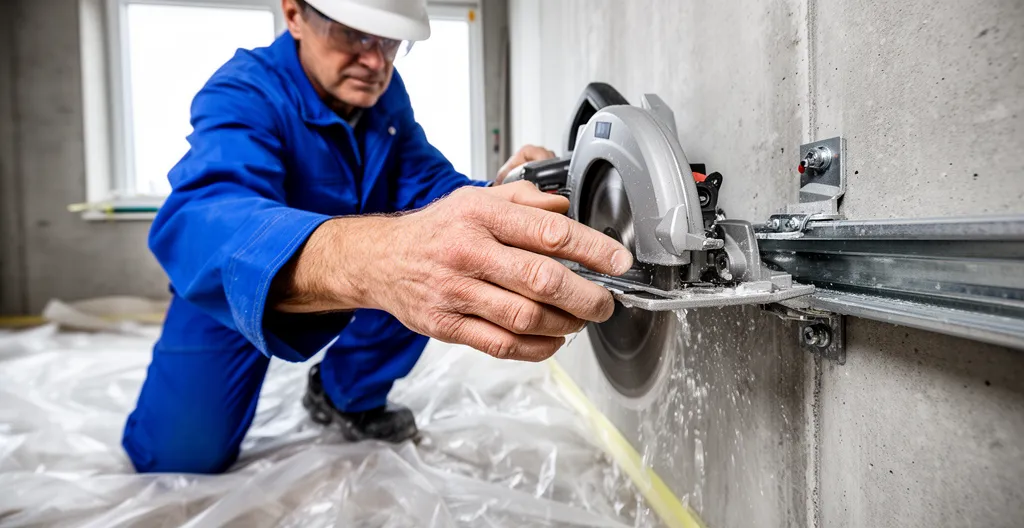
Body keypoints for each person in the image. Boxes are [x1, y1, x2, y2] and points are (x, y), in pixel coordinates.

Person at [122, 0, 633, 474]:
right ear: (294, 14)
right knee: (179, 459)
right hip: (234, 283)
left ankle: (344, 396)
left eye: (389, 41)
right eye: (352, 35)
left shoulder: (384, 99)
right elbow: (208, 218)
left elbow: (426, 185)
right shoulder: (244, 91)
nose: (375, 60)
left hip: (363, 273)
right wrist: (380, 260)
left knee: (434, 255)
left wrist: (500, 194)